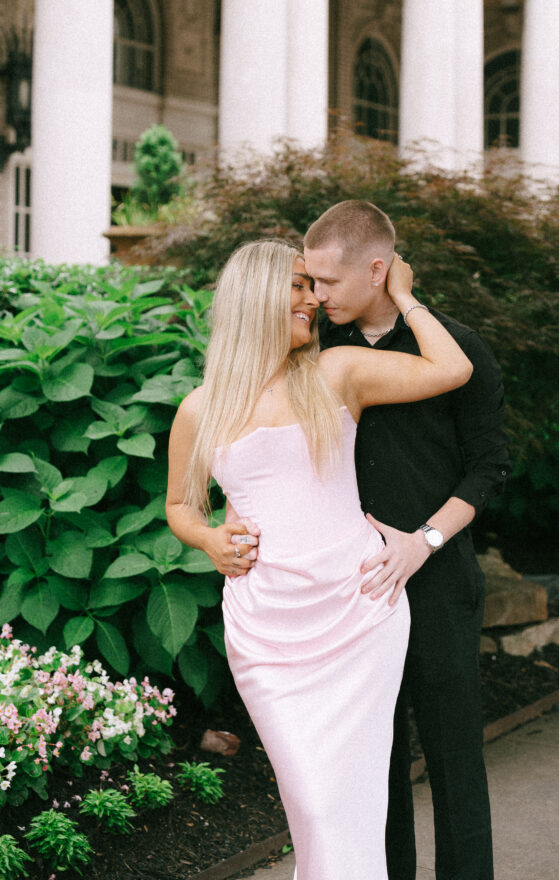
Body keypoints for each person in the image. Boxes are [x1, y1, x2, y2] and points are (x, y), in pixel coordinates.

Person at [165, 238, 473, 880]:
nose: (315, 299)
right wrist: (209, 540)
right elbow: (181, 507)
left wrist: (404, 297)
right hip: (267, 634)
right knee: (313, 804)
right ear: (253, 297)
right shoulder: (200, 408)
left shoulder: (336, 372)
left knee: (346, 810)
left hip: (359, 615)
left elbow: (453, 369)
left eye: (315, 286)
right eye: (299, 286)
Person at [303, 201, 511, 880]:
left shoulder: (455, 347)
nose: (316, 295)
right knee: (371, 765)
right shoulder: (314, 354)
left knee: (454, 760)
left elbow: (488, 466)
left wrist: (423, 540)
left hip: (439, 578)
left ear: (377, 269)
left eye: (328, 282)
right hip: (350, 588)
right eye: (310, 282)